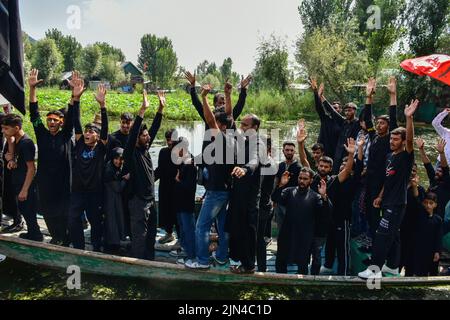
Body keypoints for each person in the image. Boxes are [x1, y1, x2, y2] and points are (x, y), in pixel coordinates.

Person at [359, 99, 419, 279]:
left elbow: (410, 139)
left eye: (396, 139)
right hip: (386, 200)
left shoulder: (406, 156)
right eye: (391, 138)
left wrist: (409, 119)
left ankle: (374, 270)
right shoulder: (390, 156)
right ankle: (393, 266)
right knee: (393, 236)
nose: (392, 141)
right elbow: (387, 179)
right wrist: (379, 195)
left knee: (382, 235)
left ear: (402, 142)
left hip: (397, 203)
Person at [185, 84, 235, 270]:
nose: (212, 124)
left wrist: (204, 97)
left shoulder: (221, 138)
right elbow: (227, 116)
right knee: (222, 226)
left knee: (201, 226)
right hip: (224, 190)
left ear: (221, 126)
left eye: (216, 123)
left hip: (216, 192)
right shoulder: (232, 137)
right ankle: (222, 256)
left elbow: (210, 118)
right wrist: (229, 95)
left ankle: (202, 261)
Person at [298, 120, 357, 275]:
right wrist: (300, 144)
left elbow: (348, 170)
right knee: (327, 245)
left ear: (331, 168)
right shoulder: (314, 178)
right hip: (322, 221)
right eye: (321, 166)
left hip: (339, 217)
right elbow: (304, 162)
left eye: (326, 167)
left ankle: (343, 274)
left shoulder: (334, 180)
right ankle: (327, 266)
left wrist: (351, 154)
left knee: (342, 247)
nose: (323, 168)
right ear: (318, 167)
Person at [27, 69, 78, 245]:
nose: (52, 123)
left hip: (63, 184)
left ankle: (65, 239)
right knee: (48, 213)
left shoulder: (65, 136)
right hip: (45, 183)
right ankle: (56, 237)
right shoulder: (41, 134)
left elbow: (71, 115)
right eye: (49, 120)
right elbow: (34, 114)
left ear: (61, 122)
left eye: (55, 120)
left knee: (65, 214)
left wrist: (74, 94)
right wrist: (32, 89)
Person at [123, 90, 165, 260]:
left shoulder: (145, 149)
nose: (148, 138)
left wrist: (160, 109)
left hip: (150, 200)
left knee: (151, 235)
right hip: (138, 201)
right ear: (137, 137)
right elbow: (132, 136)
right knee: (139, 237)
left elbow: (154, 128)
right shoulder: (131, 152)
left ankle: (150, 261)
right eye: (144, 135)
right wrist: (142, 111)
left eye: (148, 136)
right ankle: (138, 263)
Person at [68, 84, 109, 251]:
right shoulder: (79, 145)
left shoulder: (101, 148)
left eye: (91, 132)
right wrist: (76, 99)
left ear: (98, 137)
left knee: (96, 222)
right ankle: (78, 246)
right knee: (72, 218)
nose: (86, 133)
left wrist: (102, 105)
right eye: (86, 131)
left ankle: (96, 246)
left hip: (94, 193)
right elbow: (76, 122)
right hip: (78, 191)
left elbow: (105, 129)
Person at [272, 168, 332, 275]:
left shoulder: (316, 197)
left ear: (311, 180)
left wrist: (324, 196)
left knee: (302, 264)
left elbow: (326, 212)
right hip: (287, 233)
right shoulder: (288, 191)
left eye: (305, 179)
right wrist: (281, 185)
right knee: (281, 261)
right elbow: (275, 198)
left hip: (305, 236)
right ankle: (280, 283)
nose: (302, 181)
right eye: (300, 178)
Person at [227, 103, 264, 274]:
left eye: (245, 125)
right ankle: (241, 261)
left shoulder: (258, 143)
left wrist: (245, 169)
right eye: (241, 124)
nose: (241, 127)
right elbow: (231, 121)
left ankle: (249, 266)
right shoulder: (244, 140)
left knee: (248, 232)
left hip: (249, 198)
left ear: (255, 128)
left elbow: (255, 161)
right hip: (238, 196)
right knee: (237, 230)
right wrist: (228, 96)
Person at [362, 77, 399, 252]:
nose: (378, 125)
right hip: (369, 183)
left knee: (378, 219)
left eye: (382, 123)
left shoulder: (390, 140)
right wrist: (368, 98)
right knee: (369, 215)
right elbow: (368, 120)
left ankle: (380, 251)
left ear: (389, 126)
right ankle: (370, 244)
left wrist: (393, 95)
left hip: (382, 185)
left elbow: (393, 116)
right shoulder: (374, 137)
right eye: (378, 123)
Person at [1, 114, 42, 241]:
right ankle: (32, 232)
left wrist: (25, 189)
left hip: (26, 184)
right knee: (24, 210)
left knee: (28, 211)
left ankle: (36, 235)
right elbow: (11, 141)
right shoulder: (16, 140)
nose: (3, 131)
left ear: (17, 128)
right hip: (18, 181)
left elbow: (31, 168)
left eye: (6, 128)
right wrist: (11, 159)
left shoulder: (26, 143)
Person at [319, 84, 361, 174]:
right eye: (346, 110)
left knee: (347, 175)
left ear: (355, 111)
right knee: (335, 174)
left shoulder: (358, 124)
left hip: (348, 155)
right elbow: (332, 111)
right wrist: (321, 96)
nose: (347, 112)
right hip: (338, 155)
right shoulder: (343, 122)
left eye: (349, 110)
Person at [172, 138, 197, 264]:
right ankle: (184, 251)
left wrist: (178, 181)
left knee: (189, 230)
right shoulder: (182, 162)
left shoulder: (190, 164)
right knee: (182, 228)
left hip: (186, 204)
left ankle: (192, 256)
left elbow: (190, 187)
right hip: (180, 203)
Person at [399, 164, 426, 276]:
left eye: (414, 171)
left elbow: (421, 209)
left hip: (411, 227)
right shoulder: (400, 185)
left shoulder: (420, 190)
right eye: (410, 170)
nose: (411, 173)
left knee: (408, 253)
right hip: (397, 224)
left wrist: (414, 187)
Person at [409, 191, 443, 277]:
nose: (428, 205)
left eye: (431, 203)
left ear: (435, 205)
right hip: (418, 249)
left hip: (431, 250)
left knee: (432, 272)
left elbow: (438, 237)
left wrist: (437, 251)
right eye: (426, 203)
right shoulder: (419, 215)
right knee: (419, 271)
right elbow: (416, 201)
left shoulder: (438, 219)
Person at [155, 129, 180, 245]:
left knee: (178, 214)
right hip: (165, 187)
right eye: (168, 140)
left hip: (177, 188)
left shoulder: (181, 153)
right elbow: (159, 170)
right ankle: (169, 234)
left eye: (172, 140)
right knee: (165, 211)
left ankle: (181, 238)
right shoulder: (163, 152)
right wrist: (150, 180)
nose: (170, 142)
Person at [417, 138, 450, 219]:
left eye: (440, 171)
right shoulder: (434, 179)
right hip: (425, 214)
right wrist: (421, 149)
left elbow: (445, 169)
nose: (437, 172)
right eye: (437, 170)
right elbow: (427, 165)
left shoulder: (447, 184)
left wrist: (442, 153)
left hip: (437, 218)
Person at [256, 137, 276, 272]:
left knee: (258, 239)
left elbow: (259, 189)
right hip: (265, 205)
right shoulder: (268, 162)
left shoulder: (267, 164)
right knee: (259, 238)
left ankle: (261, 268)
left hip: (261, 207)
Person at [103, 147, 128, 254]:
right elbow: (117, 188)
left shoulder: (116, 167)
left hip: (114, 199)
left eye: (121, 159)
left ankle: (115, 245)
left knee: (115, 222)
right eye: (116, 159)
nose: (118, 161)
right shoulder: (109, 169)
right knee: (113, 222)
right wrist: (125, 179)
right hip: (111, 200)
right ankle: (113, 247)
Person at [273, 142, 302, 229]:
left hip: (292, 203)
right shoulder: (280, 166)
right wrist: (274, 200)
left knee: (291, 229)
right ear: (283, 151)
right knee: (280, 229)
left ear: (294, 152)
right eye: (287, 150)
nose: (289, 152)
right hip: (279, 202)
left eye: (291, 150)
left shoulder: (299, 167)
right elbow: (276, 183)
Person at [310, 78, 341, 158]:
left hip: (335, 154)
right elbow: (318, 107)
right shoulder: (325, 119)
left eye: (336, 108)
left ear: (340, 110)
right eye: (333, 107)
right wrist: (316, 92)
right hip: (322, 153)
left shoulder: (342, 122)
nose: (335, 109)